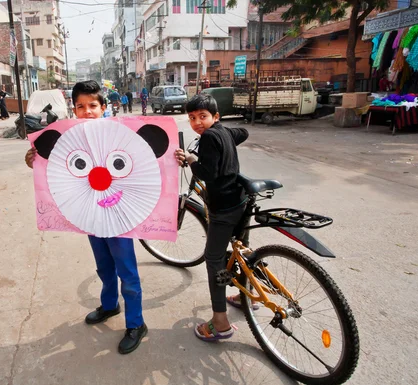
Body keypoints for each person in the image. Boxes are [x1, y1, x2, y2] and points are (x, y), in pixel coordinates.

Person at [24, 80, 148, 354]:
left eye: (93, 105)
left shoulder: (119, 133)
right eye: (80, 106)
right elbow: (54, 166)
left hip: (118, 216)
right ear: (74, 109)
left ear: (104, 108)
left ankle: (136, 323)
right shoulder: (69, 138)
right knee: (104, 266)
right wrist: (33, 158)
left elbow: (145, 159)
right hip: (91, 215)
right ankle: (109, 304)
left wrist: (176, 157)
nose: (87, 111)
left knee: (127, 271)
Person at [174, 94, 249, 342]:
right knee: (242, 249)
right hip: (242, 199)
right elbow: (243, 133)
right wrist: (226, 140)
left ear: (215, 117)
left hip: (223, 206)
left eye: (203, 117)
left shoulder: (207, 137)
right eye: (192, 118)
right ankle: (245, 295)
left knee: (214, 258)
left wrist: (191, 158)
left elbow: (208, 173)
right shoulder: (223, 131)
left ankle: (220, 321)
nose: (197, 123)